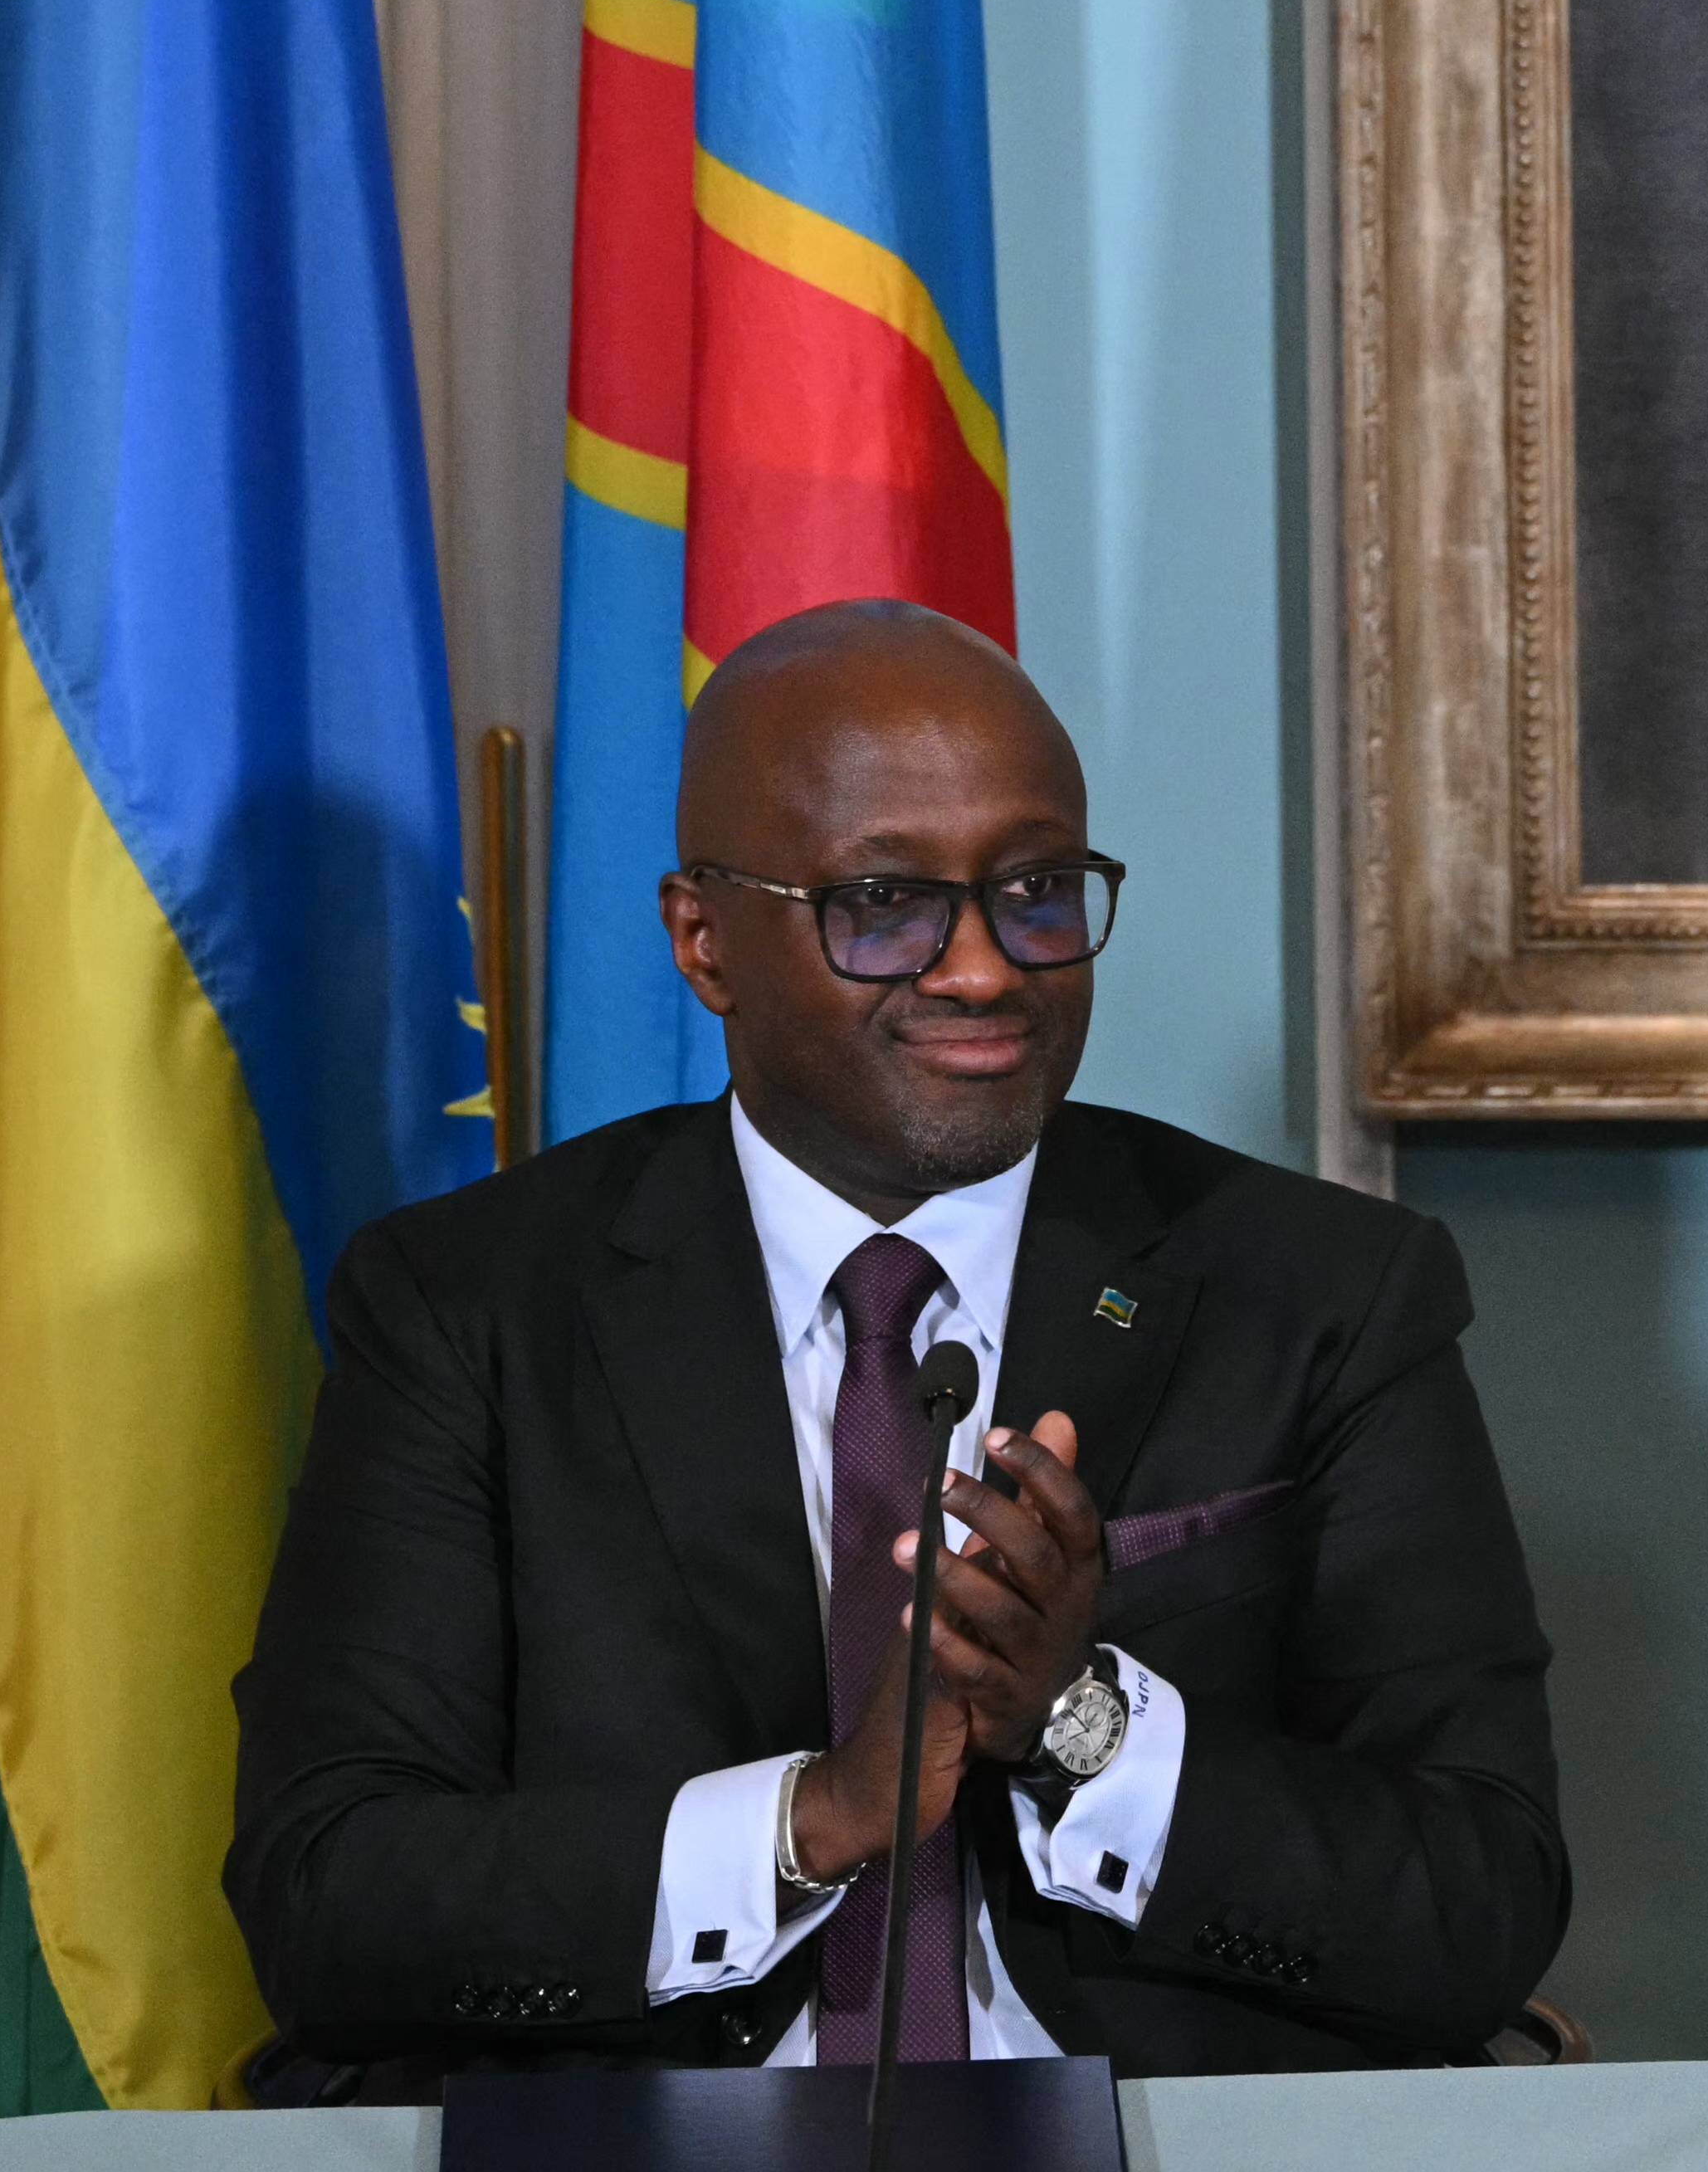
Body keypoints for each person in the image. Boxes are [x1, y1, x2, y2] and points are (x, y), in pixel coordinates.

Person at [230, 600, 1566, 2089]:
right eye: (886, 906)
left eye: (1039, 891)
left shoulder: (1322, 1292)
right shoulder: (467, 1308)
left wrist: (1083, 1727)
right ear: (704, 941)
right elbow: (328, 1894)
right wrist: (815, 1819)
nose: (987, 969)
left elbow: (1483, 1896)